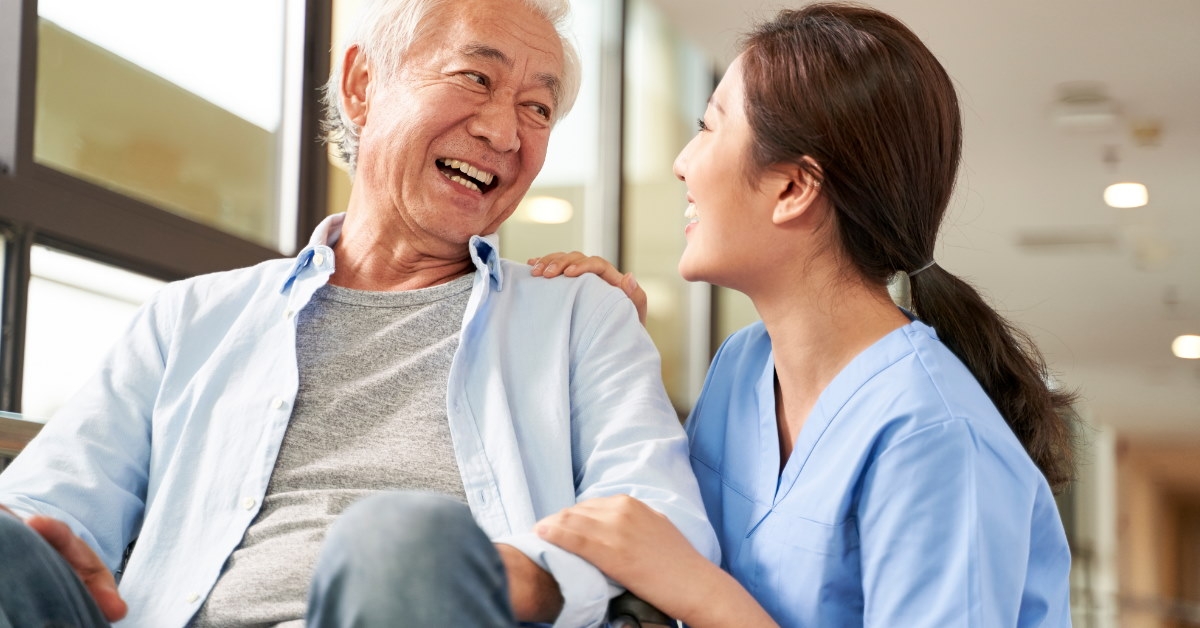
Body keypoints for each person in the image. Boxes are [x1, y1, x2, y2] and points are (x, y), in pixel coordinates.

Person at [0, 0, 719, 626]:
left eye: (538, 108)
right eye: (476, 77)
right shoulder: (189, 317)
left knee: (402, 536)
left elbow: (658, 512)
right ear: (362, 85)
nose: (505, 132)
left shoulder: (579, 315)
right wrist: (36, 537)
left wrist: (501, 573)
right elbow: (49, 502)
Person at [531, 4, 1077, 626]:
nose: (683, 161)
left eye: (709, 127)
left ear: (793, 189)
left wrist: (702, 594)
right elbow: (652, 531)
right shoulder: (742, 366)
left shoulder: (936, 435)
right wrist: (605, 359)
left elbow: (681, 573)